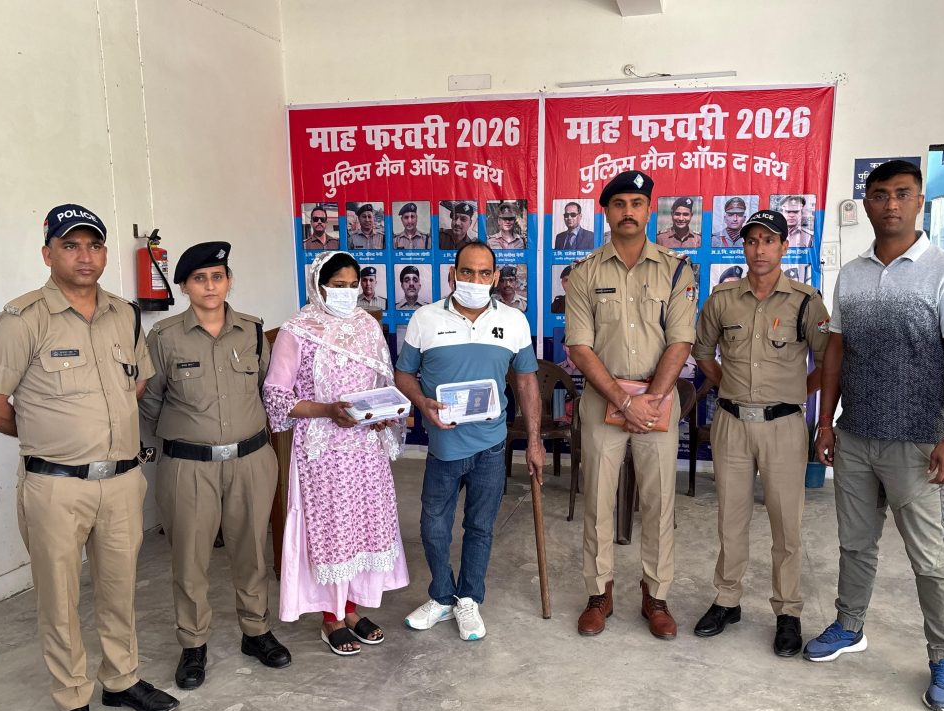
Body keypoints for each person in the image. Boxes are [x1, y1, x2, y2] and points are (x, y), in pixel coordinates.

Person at [0, 204, 179, 711]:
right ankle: (72, 698)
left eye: (93, 245)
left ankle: (120, 680)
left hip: (121, 482)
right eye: (70, 245)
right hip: (56, 487)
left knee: (120, 587)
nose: (84, 256)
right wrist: (47, 436)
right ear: (47, 254)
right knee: (60, 596)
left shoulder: (124, 314)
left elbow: (135, 384)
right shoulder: (21, 320)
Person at [806, 160, 944, 711]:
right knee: (855, 544)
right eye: (880, 195)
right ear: (867, 203)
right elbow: (836, 351)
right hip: (855, 436)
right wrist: (825, 421)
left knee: (929, 558)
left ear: (919, 200)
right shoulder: (852, 275)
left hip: (918, 443)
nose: (891, 205)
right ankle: (849, 625)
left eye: (902, 194)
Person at [139, 241, 291, 691]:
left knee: (253, 551)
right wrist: (188, 434)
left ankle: (256, 631)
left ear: (229, 282)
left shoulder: (253, 331)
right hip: (189, 466)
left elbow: (267, 390)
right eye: (200, 278)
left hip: (251, 459)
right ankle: (193, 643)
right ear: (184, 286)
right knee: (189, 557)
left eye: (218, 277)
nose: (210, 286)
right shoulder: (164, 337)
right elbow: (149, 402)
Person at [691, 210, 830, 656]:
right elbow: (702, 352)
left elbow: (829, 361)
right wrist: (728, 385)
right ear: (744, 247)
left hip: (783, 427)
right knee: (730, 520)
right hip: (731, 423)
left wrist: (796, 392)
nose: (759, 249)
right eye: (752, 241)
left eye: (769, 241)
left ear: (784, 247)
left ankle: (787, 611)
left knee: (786, 525)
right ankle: (726, 600)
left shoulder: (806, 302)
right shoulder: (723, 299)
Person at [564, 171, 696, 640]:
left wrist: (651, 400)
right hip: (604, 400)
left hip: (657, 399)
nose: (628, 212)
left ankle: (655, 595)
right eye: (619, 203)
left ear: (649, 210)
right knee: (598, 500)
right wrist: (624, 400)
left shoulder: (676, 269)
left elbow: (681, 340)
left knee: (659, 502)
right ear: (606, 211)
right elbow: (580, 346)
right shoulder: (585, 272)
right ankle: (599, 593)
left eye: (637, 203)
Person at [395, 241, 544, 641]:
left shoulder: (513, 320)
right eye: (466, 272)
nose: (474, 280)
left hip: (491, 446)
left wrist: (534, 441)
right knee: (433, 526)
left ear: (494, 277)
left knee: (480, 526)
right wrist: (422, 404)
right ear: (452, 275)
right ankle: (442, 596)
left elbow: (526, 382)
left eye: (483, 273)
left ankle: (469, 599)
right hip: (444, 446)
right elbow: (403, 374)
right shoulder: (425, 318)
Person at [264, 251, 409, 655]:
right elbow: (277, 396)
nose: (347, 293)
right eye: (337, 286)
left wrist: (382, 415)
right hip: (323, 451)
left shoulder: (366, 325)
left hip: (365, 449)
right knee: (332, 531)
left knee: (362, 526)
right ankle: (331, 618)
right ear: (319, 285)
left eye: (352, 286)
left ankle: (351, 609)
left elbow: (382, 383)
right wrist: (328, 410)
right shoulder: (298, 329)